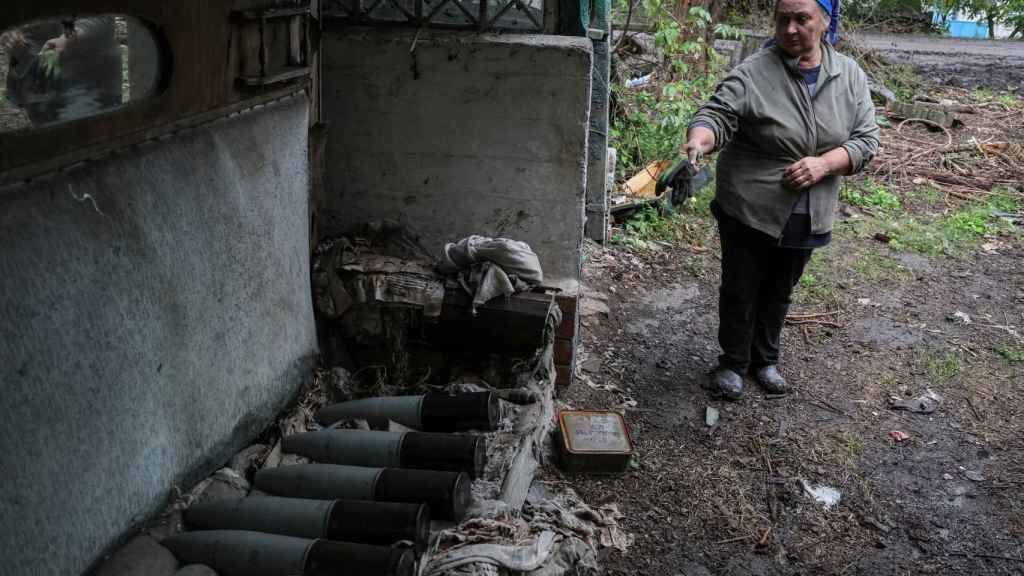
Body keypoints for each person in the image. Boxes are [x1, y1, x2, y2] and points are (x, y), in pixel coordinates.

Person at [682, 0, 879, 399]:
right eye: (782, 19)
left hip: (809, 205)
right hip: (749, 201)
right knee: (741, 284)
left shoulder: (850, 75)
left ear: (824, 22)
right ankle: (733, 363)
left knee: (780, 286)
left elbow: (866, 140)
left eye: (801, 19)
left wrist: (824, 164)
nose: (790, 29)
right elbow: (717, 114)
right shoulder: (755, 72)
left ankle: (765, 359)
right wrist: (699, 141)